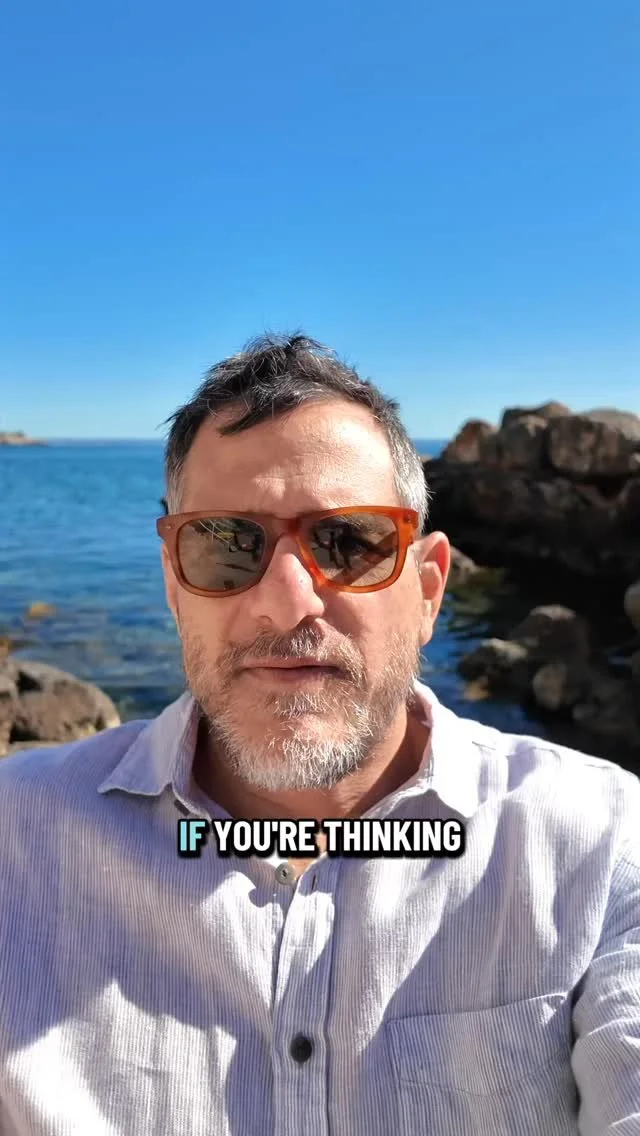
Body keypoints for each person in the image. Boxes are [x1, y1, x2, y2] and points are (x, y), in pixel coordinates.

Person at [0, 333, 638, 1136]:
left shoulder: (600, 844)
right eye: (225, 545)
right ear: (173, 581)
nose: (287, 601)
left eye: (350, 542)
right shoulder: (16, 842)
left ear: (429, 588)